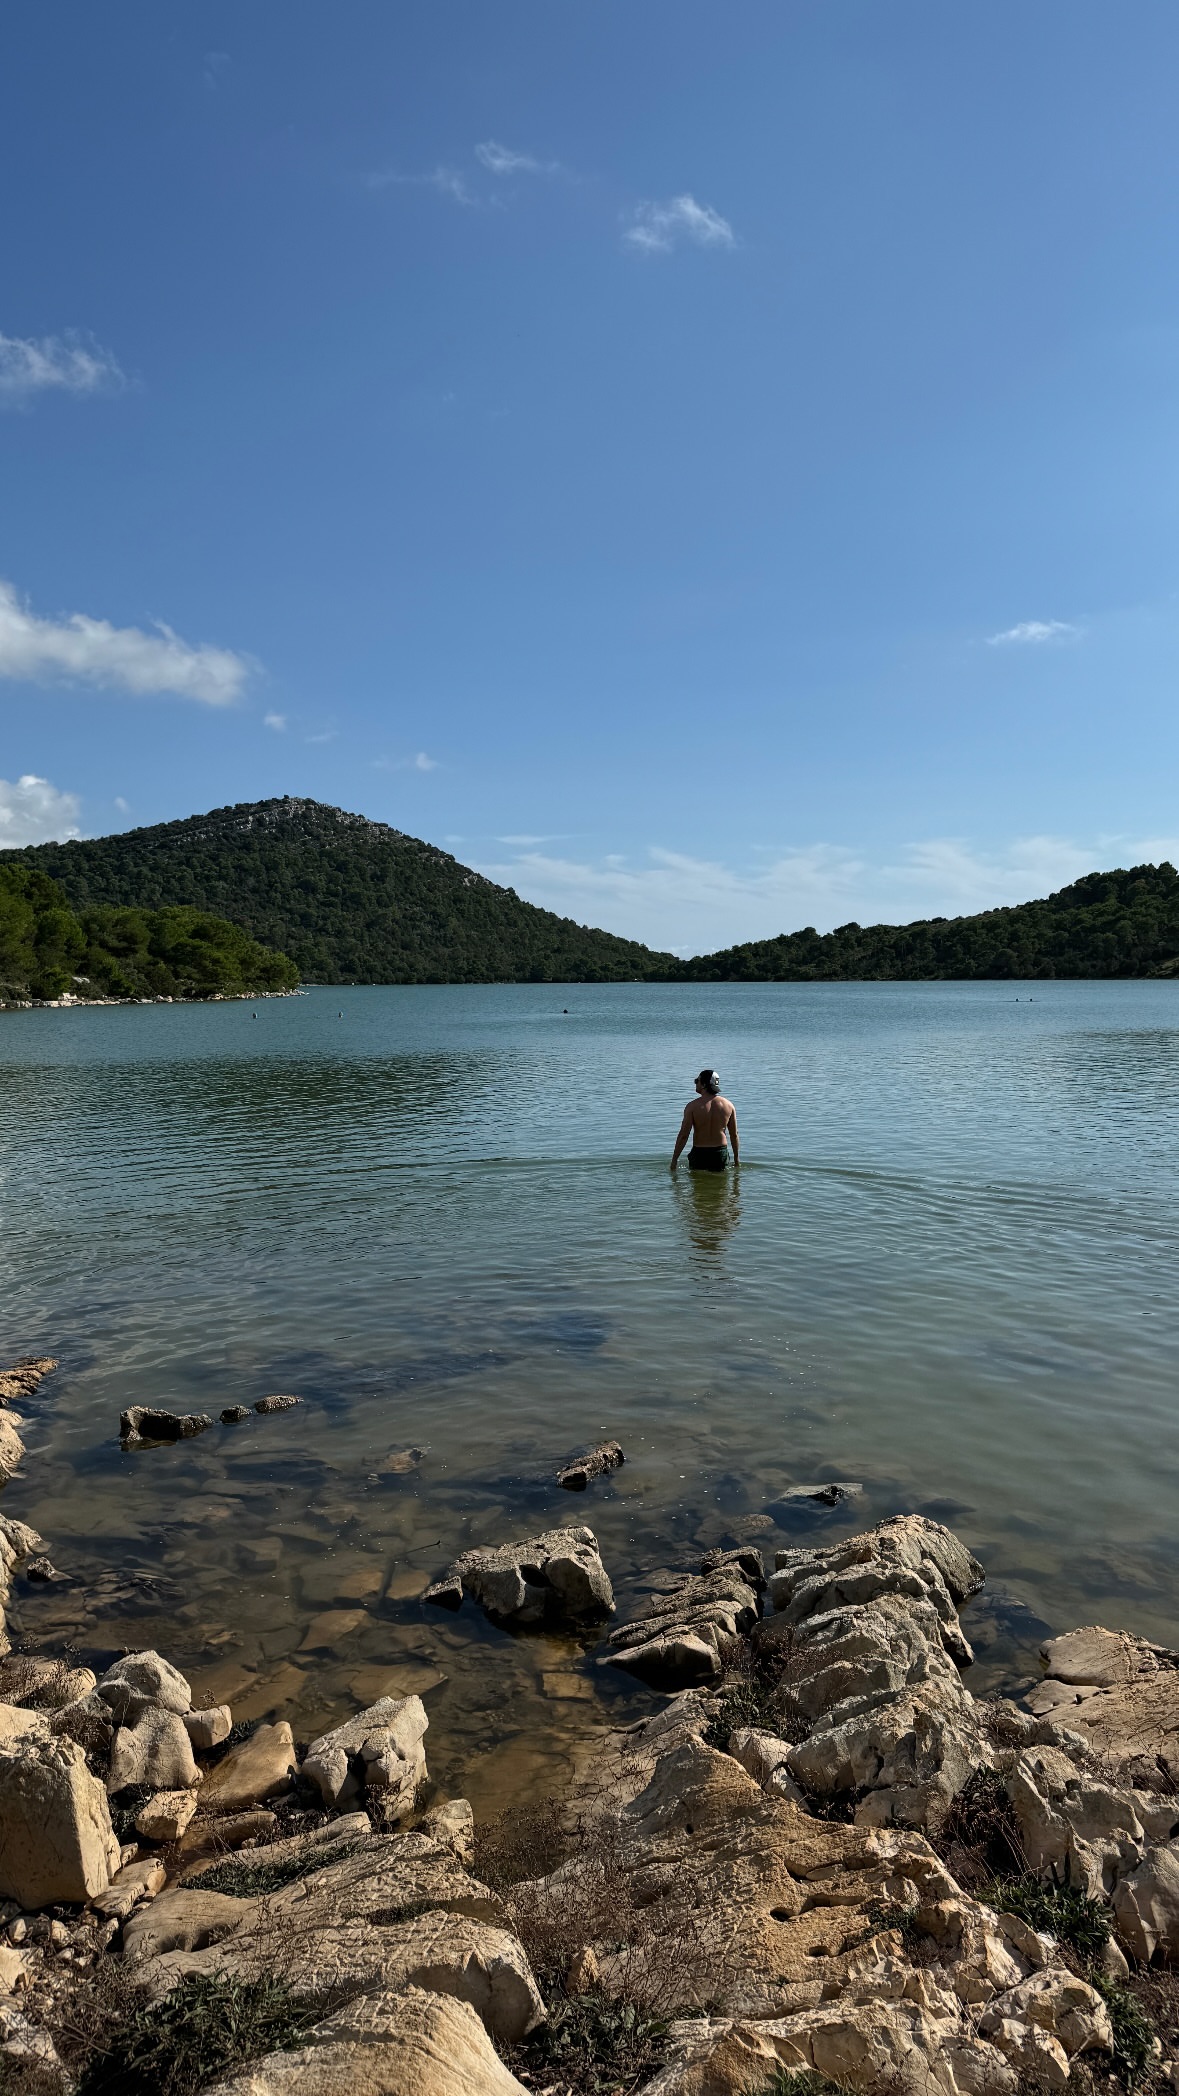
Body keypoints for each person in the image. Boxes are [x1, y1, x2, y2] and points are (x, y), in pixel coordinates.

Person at [670, 1069, 739, 1172]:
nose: (695, 1083)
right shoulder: (729, 1105)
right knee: (721, 1186)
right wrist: (736, 1159)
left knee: (698, 1185)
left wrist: (674, 1160)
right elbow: (734, 1135)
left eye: (697, 1081)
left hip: (699, 1153)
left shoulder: (692, 1107)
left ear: (704, 1085)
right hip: (719, 1153)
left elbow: (684, 1135)